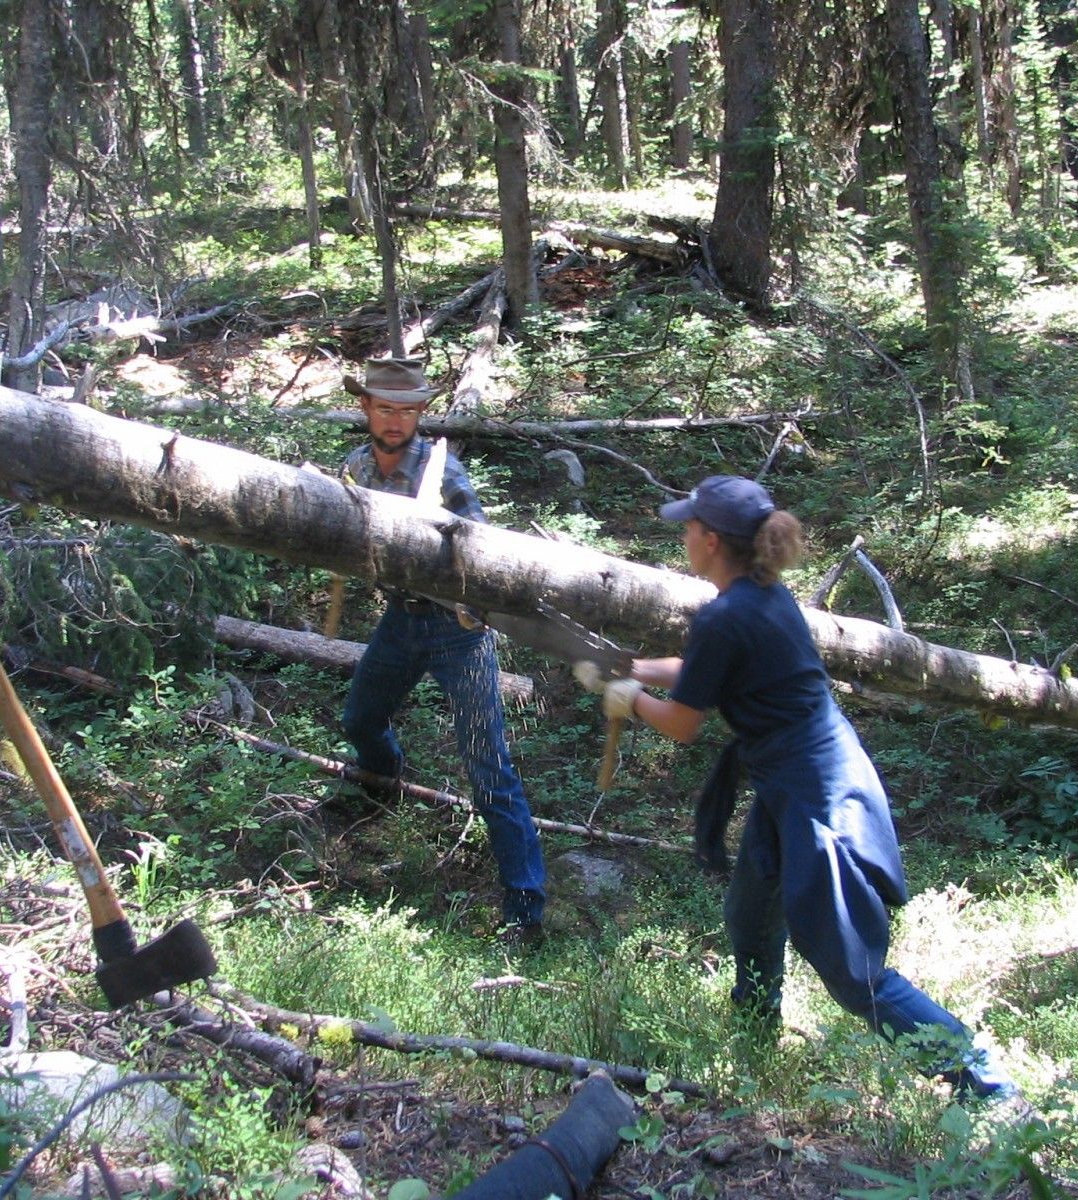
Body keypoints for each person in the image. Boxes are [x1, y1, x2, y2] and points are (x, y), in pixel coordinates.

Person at [575, 475, 1017, 1098]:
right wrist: (632, 668)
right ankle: (755, 1053)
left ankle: (987, 1085)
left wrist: (633, 698)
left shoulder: (727, 615)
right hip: (794, 784)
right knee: (751, 921)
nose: (682, 536)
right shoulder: (759, 597)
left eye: (687, 527)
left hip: (819, 796)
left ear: (707, 539)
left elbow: (683, 723)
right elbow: (704, 674)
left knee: (851, 972)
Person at [336, 356, 546, 946]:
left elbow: (479, 544)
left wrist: (472, 599)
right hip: (399, 624)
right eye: (385, 408)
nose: (396, 419)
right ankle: (383, 781)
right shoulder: (355, 467)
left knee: (488, 769)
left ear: (420, 413)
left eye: (407, 410)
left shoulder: (442, 471)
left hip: (457, 633)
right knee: (361, 719)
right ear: (367, 409)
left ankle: (525, 910)